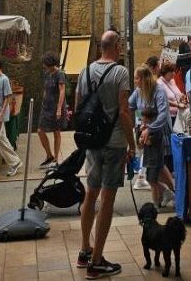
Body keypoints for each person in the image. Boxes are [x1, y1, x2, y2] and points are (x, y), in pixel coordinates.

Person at [75, 30, 135, 278]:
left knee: (91, 194)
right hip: (114, 142)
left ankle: (84, 250)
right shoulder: (120, 72)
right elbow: (124, 111)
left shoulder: (85, 71)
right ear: (117, 46)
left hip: (92, 142)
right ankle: (97, 261)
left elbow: (78, 107)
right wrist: (132, 144)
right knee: (107, 199)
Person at [129, 65, 174, 207]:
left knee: (158, 166)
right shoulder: (138, 91)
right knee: (158, 166)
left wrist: (149, 128)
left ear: (144, 79)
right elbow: (129, 106)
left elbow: (163, 114)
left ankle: (171, 194)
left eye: (137, 78)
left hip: (159, 131)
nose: (135, 81)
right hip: (146, 132)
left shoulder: (158, 90)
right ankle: (170, 194)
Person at [38, 52, 68, 167]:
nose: (43, 65)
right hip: (46, 106)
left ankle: (55, 159)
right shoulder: (47, 73)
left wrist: (59, 109)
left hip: (56, 106)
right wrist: (43, 100)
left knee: (56, 132)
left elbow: (62, 91)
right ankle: (49, 155)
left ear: (49, 63)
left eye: (44, 63)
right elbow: (45, 89)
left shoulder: (60, 74)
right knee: (40, 131)